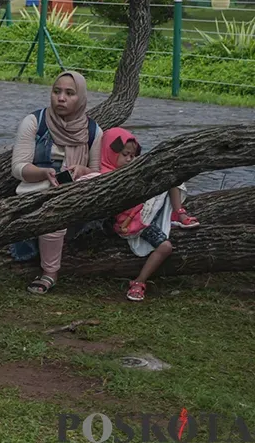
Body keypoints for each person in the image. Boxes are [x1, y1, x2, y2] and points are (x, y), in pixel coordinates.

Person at [10, 70, 102, 295]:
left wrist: (82, 171)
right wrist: (44, 173)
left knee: (74, 198)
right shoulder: (35, 122)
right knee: (54, 213)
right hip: (37, 193)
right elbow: (18, 168)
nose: (61, 98)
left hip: (74, 194)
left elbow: (98, 175)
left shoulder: (93, 131)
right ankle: (49, 273)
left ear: (80, 98)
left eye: (69, 93)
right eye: (56, 91)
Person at [105, 128, 201, 302]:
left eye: (132, 156)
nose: (129, 159)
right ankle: (138, 282)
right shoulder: (104, 175)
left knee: (169, 174)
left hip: (142, 214)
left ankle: (180, 214)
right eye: (125, 154)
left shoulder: (131, 170)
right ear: (111, 152)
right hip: (134, 224)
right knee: (165, 247)